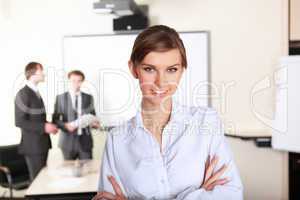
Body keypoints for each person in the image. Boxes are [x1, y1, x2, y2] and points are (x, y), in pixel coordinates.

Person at [93, 25, 243, 200]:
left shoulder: (206, 122)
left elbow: (230, 195)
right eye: (149, 69)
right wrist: (198, 193)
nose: (160, 82)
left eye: (172, 70)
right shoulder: (117, 140)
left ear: (182, 71)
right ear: (134, 69)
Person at [15, 62, 58, 181]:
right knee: (37, 183)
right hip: (33, 146)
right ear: (33, 73)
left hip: (41, 144)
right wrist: (44, 127)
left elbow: (37, 119)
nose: (43, 74)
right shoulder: (23, 93)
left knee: (42, 181)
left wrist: (50, 126)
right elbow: (19, 121)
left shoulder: (35, 92)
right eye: (41, 71)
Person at [52, 70, 99, 160]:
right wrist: (65, 125)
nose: (76, 84)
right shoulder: (60, 98)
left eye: (79, 81)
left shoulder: (89, 97)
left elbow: (92, 117)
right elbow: (55, 120)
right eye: (73, 81)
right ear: (69, 81)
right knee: (68, 172)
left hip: (85, 142)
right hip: (67, 142)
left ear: (82, 82)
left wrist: (95, 124)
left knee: (88, 170)